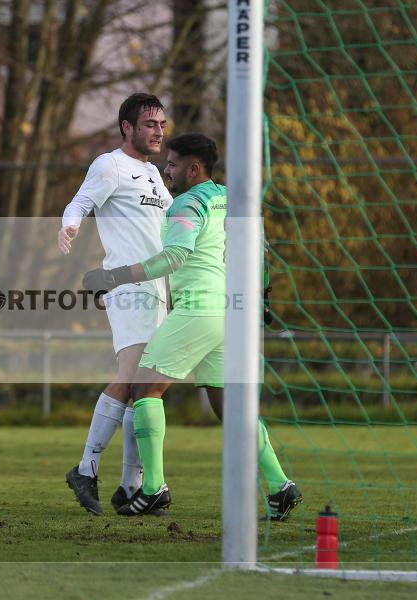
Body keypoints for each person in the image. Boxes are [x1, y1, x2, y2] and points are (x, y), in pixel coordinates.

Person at [82, 133, 302, 519]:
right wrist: (264, 295)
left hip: (199, 308)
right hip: (233, 313)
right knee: (231, 408)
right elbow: (260, 247)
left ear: (193, 168)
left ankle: (153, 489)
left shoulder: (188, 202)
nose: (167, 171)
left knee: (144, 387)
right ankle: (281, 486)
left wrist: (113, 277)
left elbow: (175, 257)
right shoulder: (231, 197)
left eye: (173, 164)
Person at [58, 93, 174, 514]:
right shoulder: (110, 165)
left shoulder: (154, 175)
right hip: (129, 288)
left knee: (146, 389)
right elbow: (80, 202)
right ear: (127, 126)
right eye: (150, 124)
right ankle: (86, 469)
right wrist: (69, 226)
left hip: (157, 291)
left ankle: (131, 485)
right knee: (131, 380)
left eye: (162, 124)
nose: (158, 131)